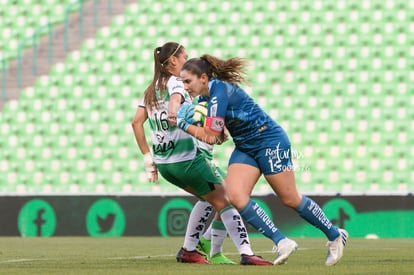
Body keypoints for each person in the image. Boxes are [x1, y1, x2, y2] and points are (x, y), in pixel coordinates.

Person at [176, 54, 349, 266]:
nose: (185, 87)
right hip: (245, 146)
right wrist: (198, 122)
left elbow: (210, 136)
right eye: (182, 82)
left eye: (187, 81)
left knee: (290, 198)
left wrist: (185, 125)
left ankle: (334, 235)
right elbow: (219, 137)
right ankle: (282, 241)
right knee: (235, 196)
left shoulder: (219, 90)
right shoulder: (204, 99)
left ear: (203, 78)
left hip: (270, 140)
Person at [131, 42, 272, 266]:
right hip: (188, 160)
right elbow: (176, 98)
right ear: (173, 61)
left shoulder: (150, 90)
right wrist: (174, 110)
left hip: (166, 165)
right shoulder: (176, 82)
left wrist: (148, 159)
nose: (187, 61)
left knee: (209, 199)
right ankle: (246, 253)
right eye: (184, 57)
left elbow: (136, 123)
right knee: (228, 198)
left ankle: (192, 249)